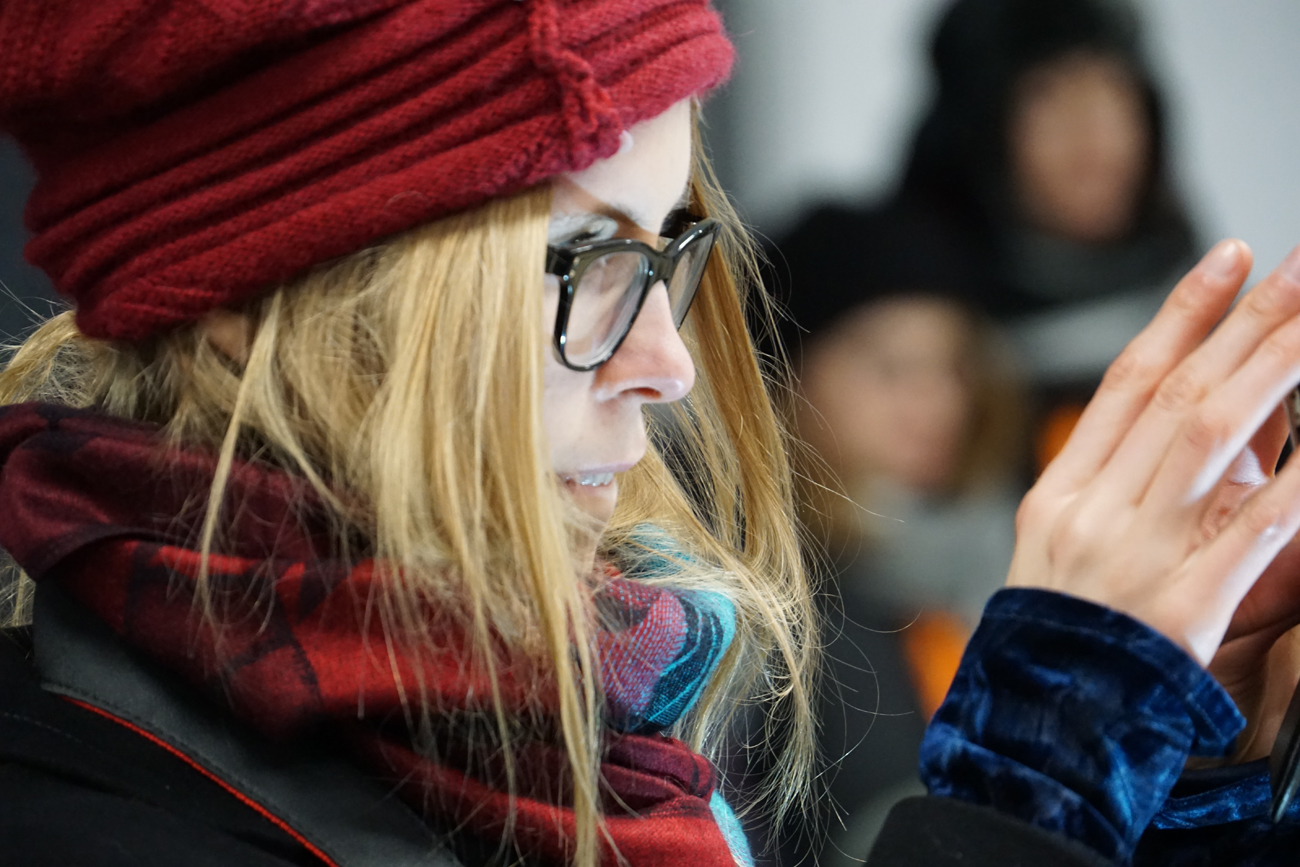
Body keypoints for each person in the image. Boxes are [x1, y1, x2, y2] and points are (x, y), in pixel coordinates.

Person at [1, 4, 1300, 867]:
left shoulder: (615, 725)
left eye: (666, 254)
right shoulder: (78, 817)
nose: (668, 365)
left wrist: (1171, 789)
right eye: (579, 260)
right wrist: (1035, 784)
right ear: (249, 305)